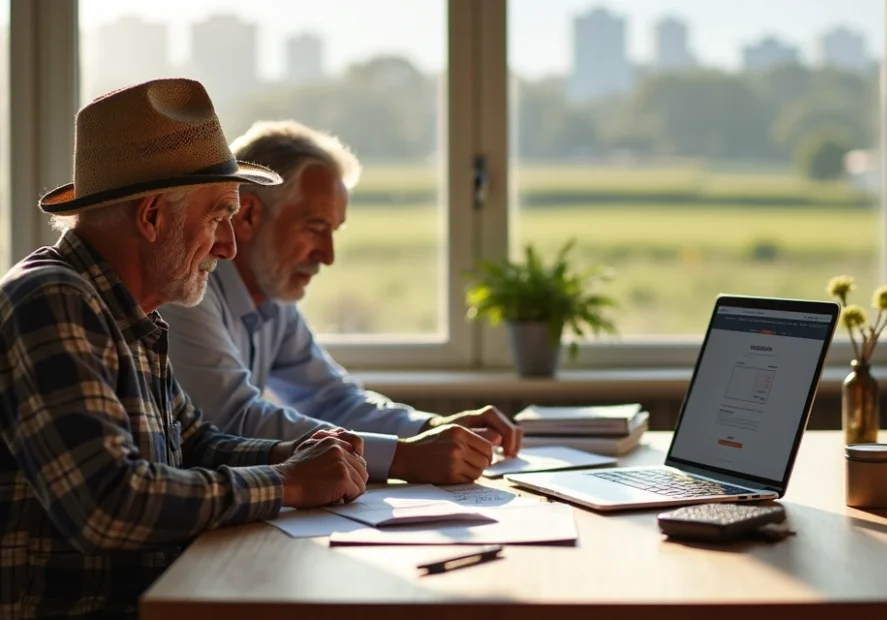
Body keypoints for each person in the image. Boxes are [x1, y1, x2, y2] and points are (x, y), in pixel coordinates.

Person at [0, 79, 369, 619]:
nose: (229, 244)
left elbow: (194, 442)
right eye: (219, 215)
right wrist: (288, 482)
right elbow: (109, 504)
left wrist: (297, 456)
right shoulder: (51, 301)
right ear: (151, 216)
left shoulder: (128, 309)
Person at [159, 120, 523, 484]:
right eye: (315, 227)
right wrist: (403, 455)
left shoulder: (273, 300)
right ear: (249, 215)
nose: (328, 255)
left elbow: (332, 399)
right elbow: (233, 420)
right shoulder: (187, 289)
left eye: (333, 231)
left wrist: (432, 426)